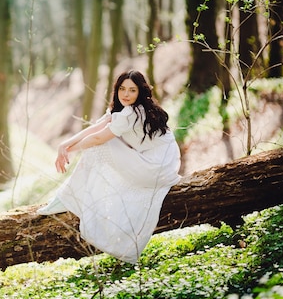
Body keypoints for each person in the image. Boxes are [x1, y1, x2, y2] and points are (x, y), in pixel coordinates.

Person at [37, 69, 181, 264]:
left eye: (132, 90)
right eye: (122, 89)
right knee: (98, 143)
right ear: (116, 89)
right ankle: (69, 196)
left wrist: (71, 150)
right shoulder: (122, 110)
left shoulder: (132, 112)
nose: (126, 94)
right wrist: (65, 145)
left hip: (155, 168)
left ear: (140, 92)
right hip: (159, 164)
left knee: (98, 146)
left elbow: (98, 138)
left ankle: (70, 197)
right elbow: (97, 127)